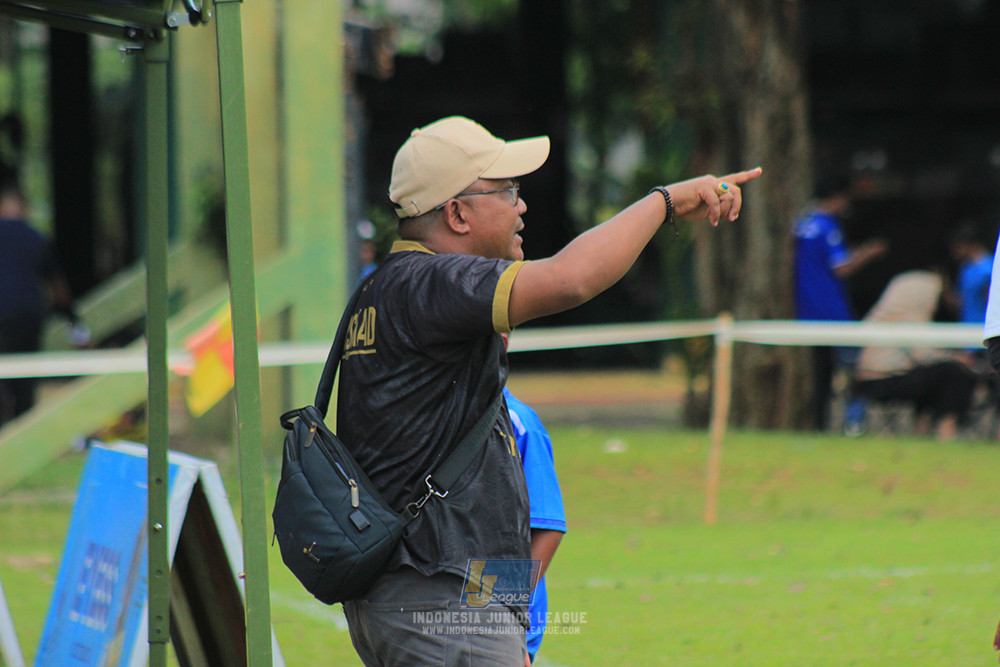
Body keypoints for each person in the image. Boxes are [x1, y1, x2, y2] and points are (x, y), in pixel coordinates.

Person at [333, 115, 761, 665]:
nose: (522, 206)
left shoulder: (388, 287)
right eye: (506, 190)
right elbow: (569, 280)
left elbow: (498, 514)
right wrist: (665, 202)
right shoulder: (435, 283)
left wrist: (511, 628)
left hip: (428, 594)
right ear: (457, 213)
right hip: (444, 604)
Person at [792, 173, 888, 431]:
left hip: (807, 311)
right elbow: (841, 266)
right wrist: (869, 251)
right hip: (831, 311)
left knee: (820, 375)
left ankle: (819, 425)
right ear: (838, 197)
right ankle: (852, 424)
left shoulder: (802, 222)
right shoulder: (827, 226)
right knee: (860, 369)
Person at [851, 270, 977, 441]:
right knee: (953, 374)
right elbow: (923, 355)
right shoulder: (908, 318)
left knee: (932, 377)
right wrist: (958, 358)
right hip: (885, 380)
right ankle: (947, 428)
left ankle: (922, 428)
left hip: (871, 382)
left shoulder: (883, 315)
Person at [0, 178, 85, 427]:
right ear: (24, 210)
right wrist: (75, 326)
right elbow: (60, 291)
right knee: (25, 384)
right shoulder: (38, 238)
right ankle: (24, 435)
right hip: (28, 320)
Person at [502, 382, 566, 665]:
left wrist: (500, 617)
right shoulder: (437, 414)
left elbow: (547, 527)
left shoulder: (518, 422)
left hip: (494, 617)